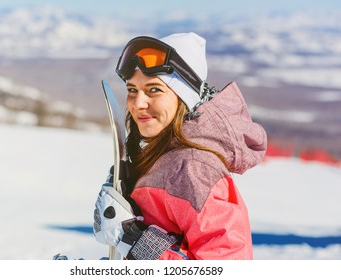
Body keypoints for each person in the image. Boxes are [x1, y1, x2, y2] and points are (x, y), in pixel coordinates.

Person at [93, 32, 267, 260]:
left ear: (183, 98)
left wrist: (130, 238)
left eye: (154, 90)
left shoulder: (195, 169)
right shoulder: (164, 157)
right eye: (132, 89)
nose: (138, 103)